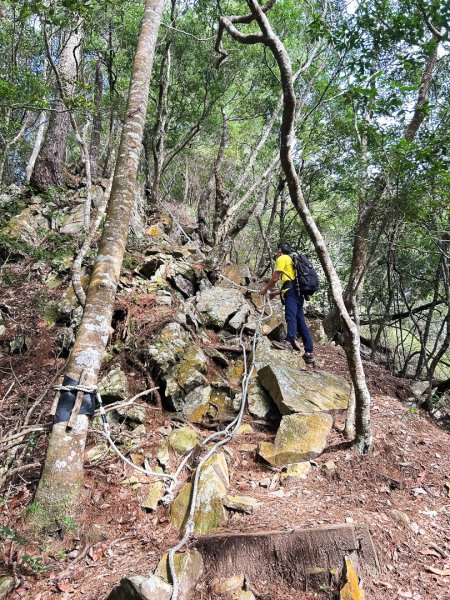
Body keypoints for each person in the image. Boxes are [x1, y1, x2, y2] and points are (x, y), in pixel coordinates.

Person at [260, 241, 315, 365]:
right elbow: (291, 283)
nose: (276, 253)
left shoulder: (282, 258)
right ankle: (309, 352)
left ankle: (289, 342)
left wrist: (265, 289)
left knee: (290, 317)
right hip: (299, 293)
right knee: (301, 322)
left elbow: (275, 278)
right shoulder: (291, 260)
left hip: (291, 292)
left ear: (280, 250)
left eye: (276, 251)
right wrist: (275, 293)